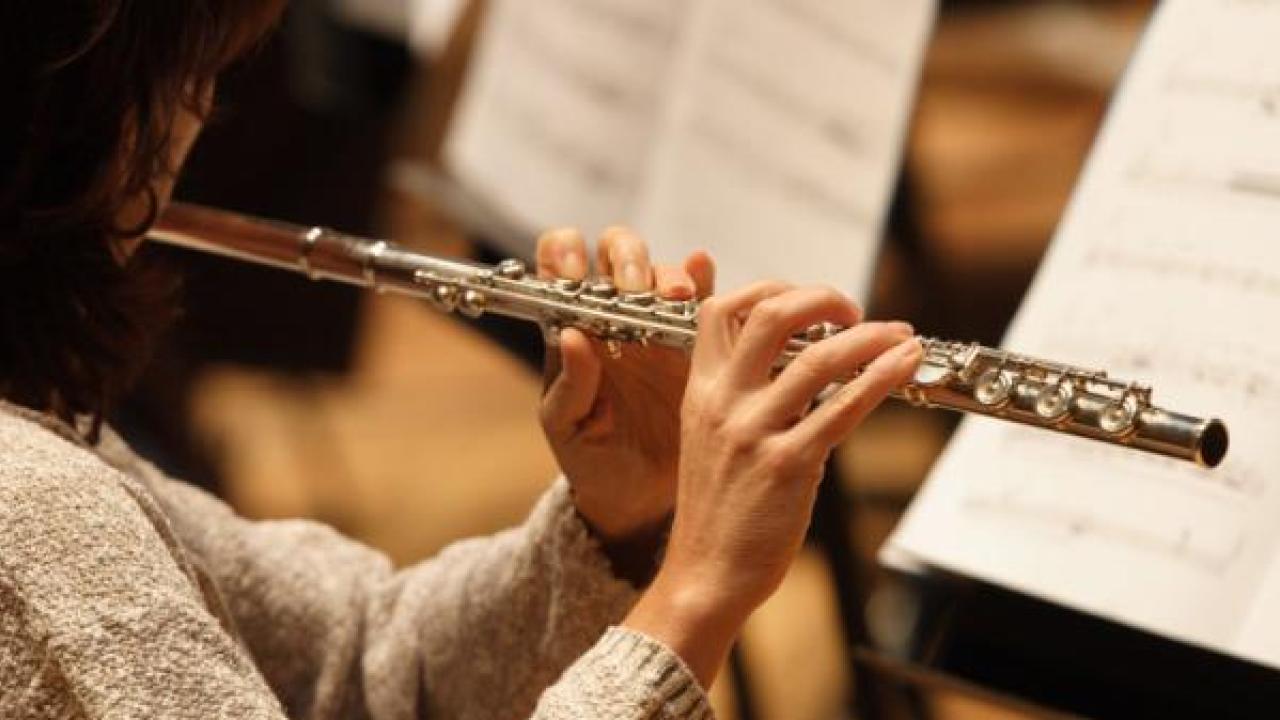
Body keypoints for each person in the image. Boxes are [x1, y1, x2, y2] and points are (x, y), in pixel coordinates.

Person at [0, 2, 922, 718]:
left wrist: (620, 524)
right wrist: (690, 601)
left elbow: (359, 670)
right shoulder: (37, 517)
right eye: (185, 78)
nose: (195, 126)